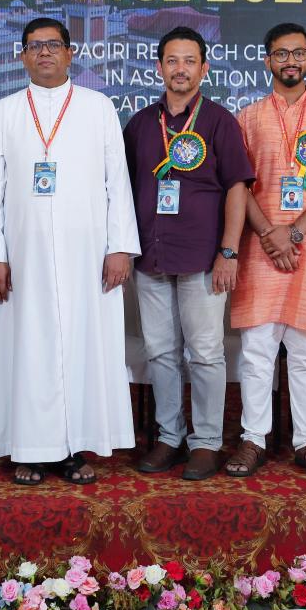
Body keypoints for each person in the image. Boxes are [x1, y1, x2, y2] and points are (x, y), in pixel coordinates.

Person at [0, 17, 139, 485]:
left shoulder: (98, 107)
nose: (44, 52)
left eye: (53, 45)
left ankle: (72, 447)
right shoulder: (4, 112)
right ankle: (28, 449)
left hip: (88, 254)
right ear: (22, 56)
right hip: (21, 254)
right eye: (34, 46)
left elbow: (117, 182)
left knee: (83, 346)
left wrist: (120, 247)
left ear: (71, 53)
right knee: (27, 347)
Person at [123, 27, 253, 481]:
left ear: (204, 68)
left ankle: (207, 442)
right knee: (160, 351)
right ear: (159, 67)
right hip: (152, 256)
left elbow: (237, 188)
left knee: (205, 353)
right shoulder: (141, 124)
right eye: (172, 61)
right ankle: (169, 436)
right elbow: (122, 189)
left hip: (203, 258)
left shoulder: (220, 121)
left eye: (189, 61)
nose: (180, 69)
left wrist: (228, 252)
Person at [225, 23, 306, 478]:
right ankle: (253, 439)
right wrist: (269, 234)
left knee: (305, 351)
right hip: (261, 247)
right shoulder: (247, 117)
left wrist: (293, 233)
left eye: (298, 53)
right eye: (281, 53)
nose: (291, 61)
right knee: (257, 349)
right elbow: (239, 184)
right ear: (267, 61)